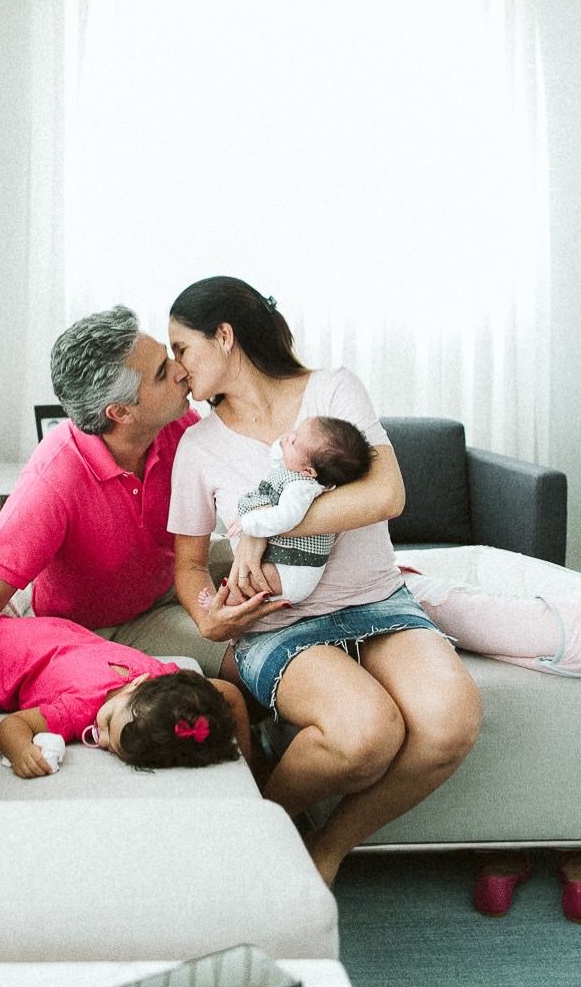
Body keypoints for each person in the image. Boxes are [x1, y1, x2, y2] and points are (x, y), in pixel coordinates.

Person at [166, 276, 482, 886]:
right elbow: (187, 566)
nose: (178, 368)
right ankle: (255, 829)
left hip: (378, 602)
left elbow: (386, 495)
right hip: (280, 624)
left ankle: (325, 849)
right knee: (364, 733)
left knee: (452, 722)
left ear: (224, 337)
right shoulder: (197, 446)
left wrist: (260, 530)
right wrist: (208, 617)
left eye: (183, 348)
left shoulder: (333, 391)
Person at [0, 306, 228, 674]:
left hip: (166, 576)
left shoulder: (175, 425)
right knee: (242, 656)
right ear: (121, 413)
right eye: (163, 373)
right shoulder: (54, 478)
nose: (181, 371)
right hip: (110, 625)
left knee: (272, 560)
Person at [0, 614, 249, 778]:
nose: (102, 739)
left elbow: (230, 694)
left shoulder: (160, 678)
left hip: (45, 630)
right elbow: (13, 725)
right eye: (106, 724)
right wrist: (21, 751)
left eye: (110, 745)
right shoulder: (79, 707)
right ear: (137, 684)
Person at [210, 415, 374, 607]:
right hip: (287, 563)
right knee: (248, 575)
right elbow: (277, 459)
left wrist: (250, 523)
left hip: (294, 571)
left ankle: (222, 603)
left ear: (309, 472)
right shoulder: (296, 470)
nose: (288, 437)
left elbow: (286, 518)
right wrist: (286, 443)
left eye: (294, 441)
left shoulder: (301, 488)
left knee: (250, 581)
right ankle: (226, 601)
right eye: (295, 432)